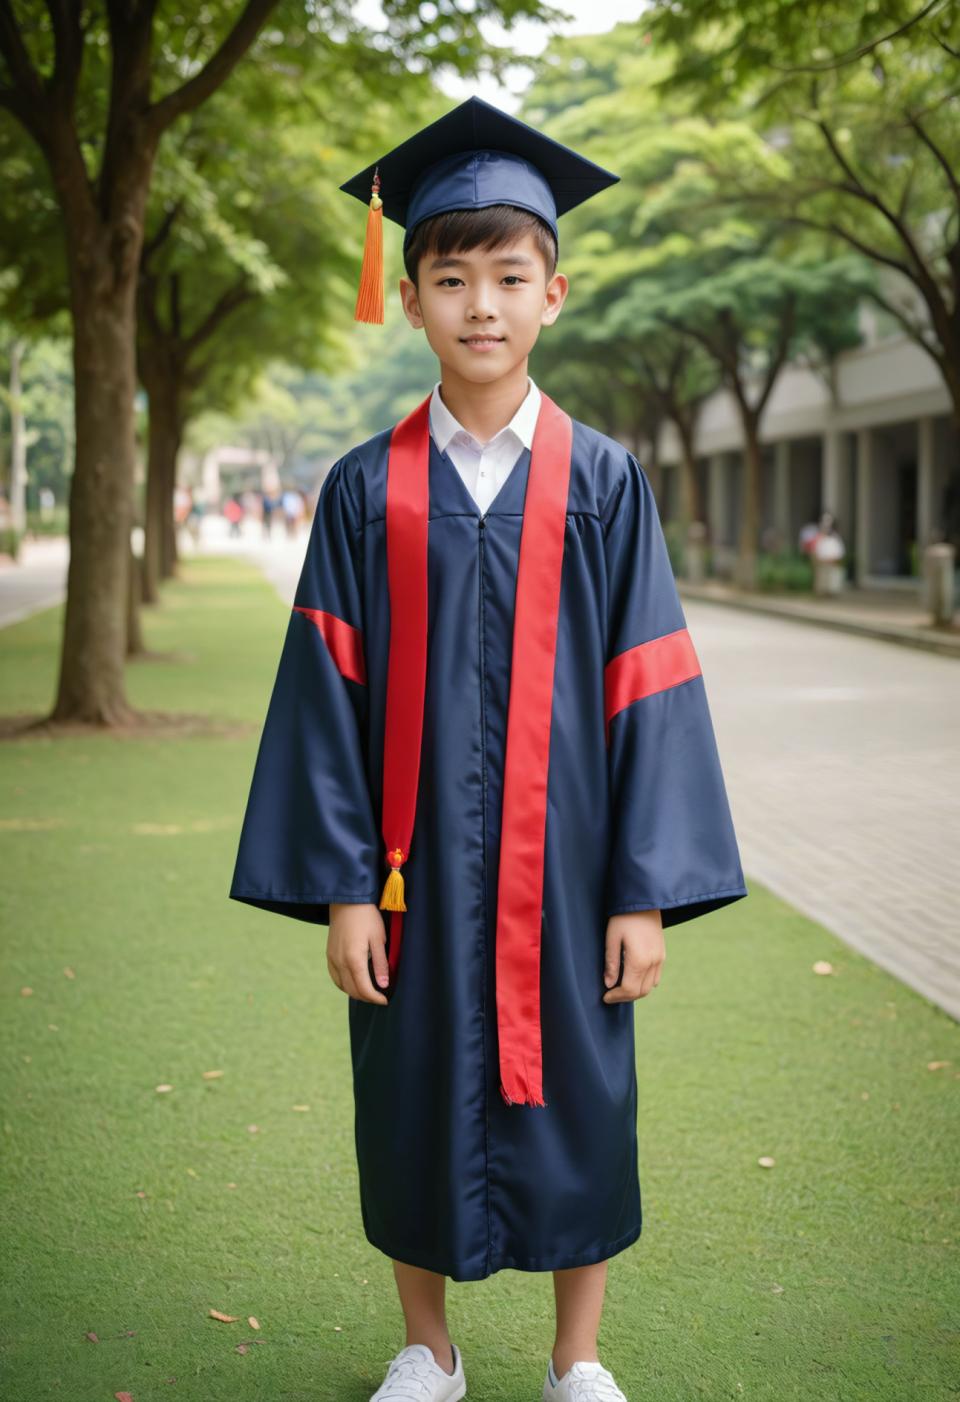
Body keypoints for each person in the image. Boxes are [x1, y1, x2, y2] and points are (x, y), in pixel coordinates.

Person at [229, 96, 748, 1402]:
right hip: (404, 873)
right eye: (449, 277)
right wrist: (343, 881)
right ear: (408, 297)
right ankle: (432, 1345)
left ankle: (578, 1357)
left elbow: (651, 689)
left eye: (507, 277)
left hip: (568, 874)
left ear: (553, 294)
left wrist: (644, 889)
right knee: (409, 1093)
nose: (479, 306)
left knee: (582, 1094)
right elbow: (324, 702)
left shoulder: (606, 482)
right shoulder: (365, 487)